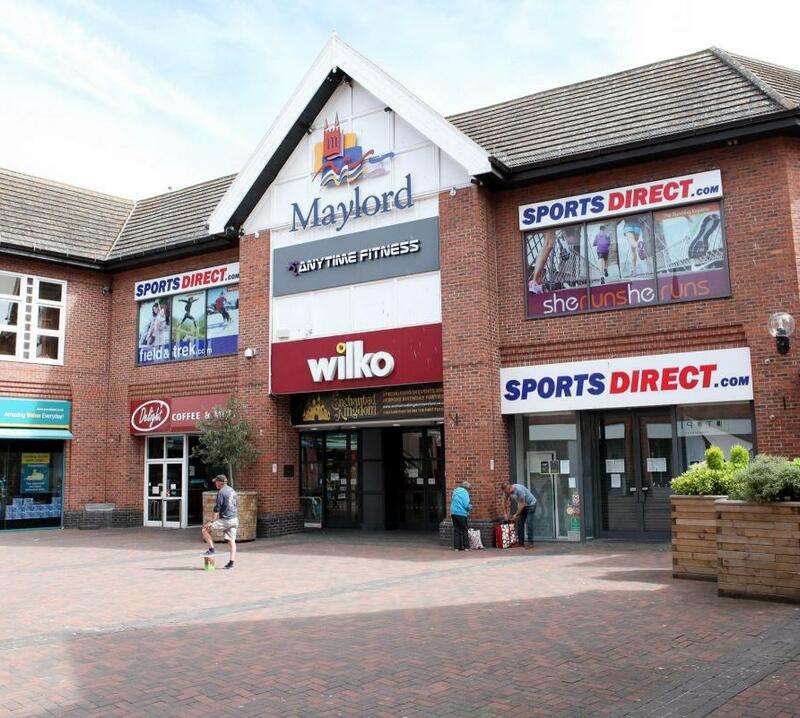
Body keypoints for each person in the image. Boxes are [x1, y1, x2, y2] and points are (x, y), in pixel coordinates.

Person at [201, 475, 239, 569]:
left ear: (220, 482)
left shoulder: (221, 492)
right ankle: (231, 562)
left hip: (226, 520)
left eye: (216, 482)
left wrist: (211, 522)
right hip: (234, 519)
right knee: (231, 541)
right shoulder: (232, 490)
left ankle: (211, 549)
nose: (215, 483)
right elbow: (235, 504)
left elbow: (217, 508)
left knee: (205, 530)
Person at [502, 481, 538, 549]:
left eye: (507, 492)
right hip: (522, 505)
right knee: (520, 522)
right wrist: (505, 514)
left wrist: (516, 514)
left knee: (529, 522)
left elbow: (522, 504)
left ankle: (530, 542)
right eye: (505, 492)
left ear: (510, 488)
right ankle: (521, 542)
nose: (507, 494)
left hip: (531, 504)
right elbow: (504, 502)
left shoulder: (519, 490)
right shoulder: (507, 492)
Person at [450, 480, 472, 551]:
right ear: (467, 488)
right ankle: (466, 547)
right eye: (469, 489)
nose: (469, 491)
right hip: (461, 513)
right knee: (464, 529)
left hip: (453, 513)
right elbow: (466, 505)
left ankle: (457, 547)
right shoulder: (465, 493)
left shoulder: (455, 491)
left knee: (457, 530)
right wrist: (470, 507)